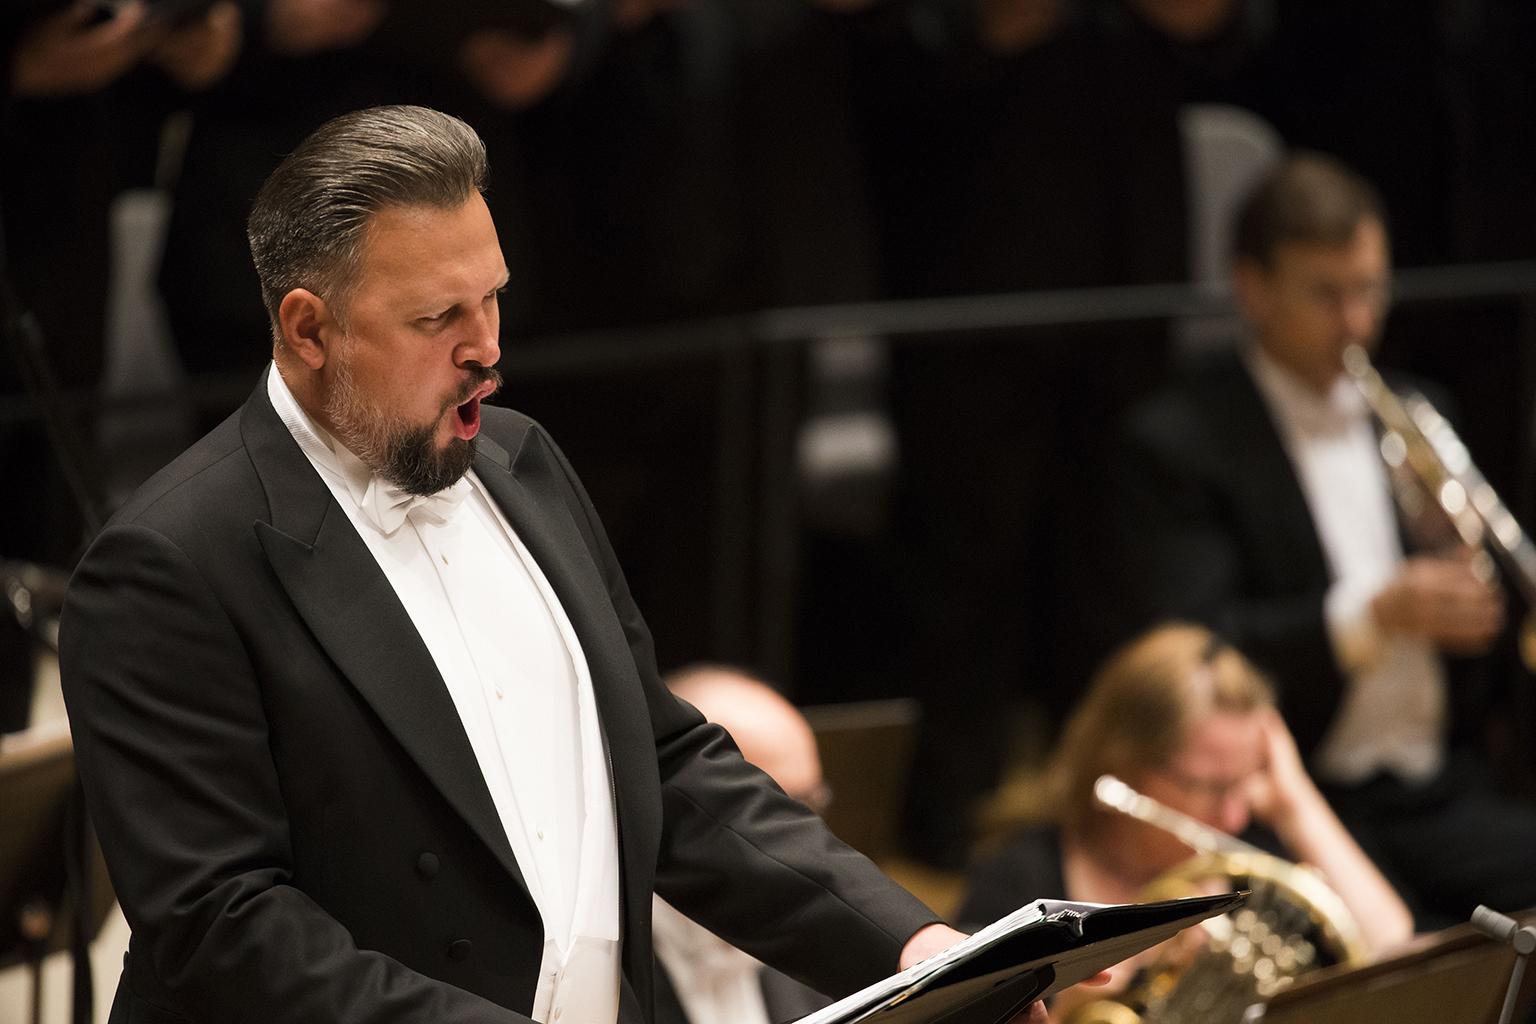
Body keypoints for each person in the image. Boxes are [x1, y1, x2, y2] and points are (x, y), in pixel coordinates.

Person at [57, 104, 1044, 1024]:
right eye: (438, 319)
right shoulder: (170, 562)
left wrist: (910, 941)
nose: (488, 350)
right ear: (309, 328)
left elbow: (660, 765)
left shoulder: (522, 460)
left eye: (492, 300)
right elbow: (220, 923)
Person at [1100, 151, 1536, 927]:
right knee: (1382, 954)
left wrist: (1475, 601)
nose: (1357, 321)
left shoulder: (1420, 408)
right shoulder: (1178, 440)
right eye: (1326, 294)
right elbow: (1195, 646)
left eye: (1369, 289)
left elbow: (1487, 624)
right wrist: (1374, 616)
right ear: (1252, 288)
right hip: (1293, 801)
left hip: (1440, 789)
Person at [959, 623, 1414, 1012]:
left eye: (1246, 781)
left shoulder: (1250, 878)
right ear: (1125, 766)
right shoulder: (1016, 879)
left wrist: (1296, 805)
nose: (1235, 816)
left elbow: (1390, 947)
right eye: (1213, 787)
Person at [652, 664, 835, 1024]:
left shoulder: (827, 939)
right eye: (774, 807)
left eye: (812, 803)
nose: (808, 837)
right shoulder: (596, 962)